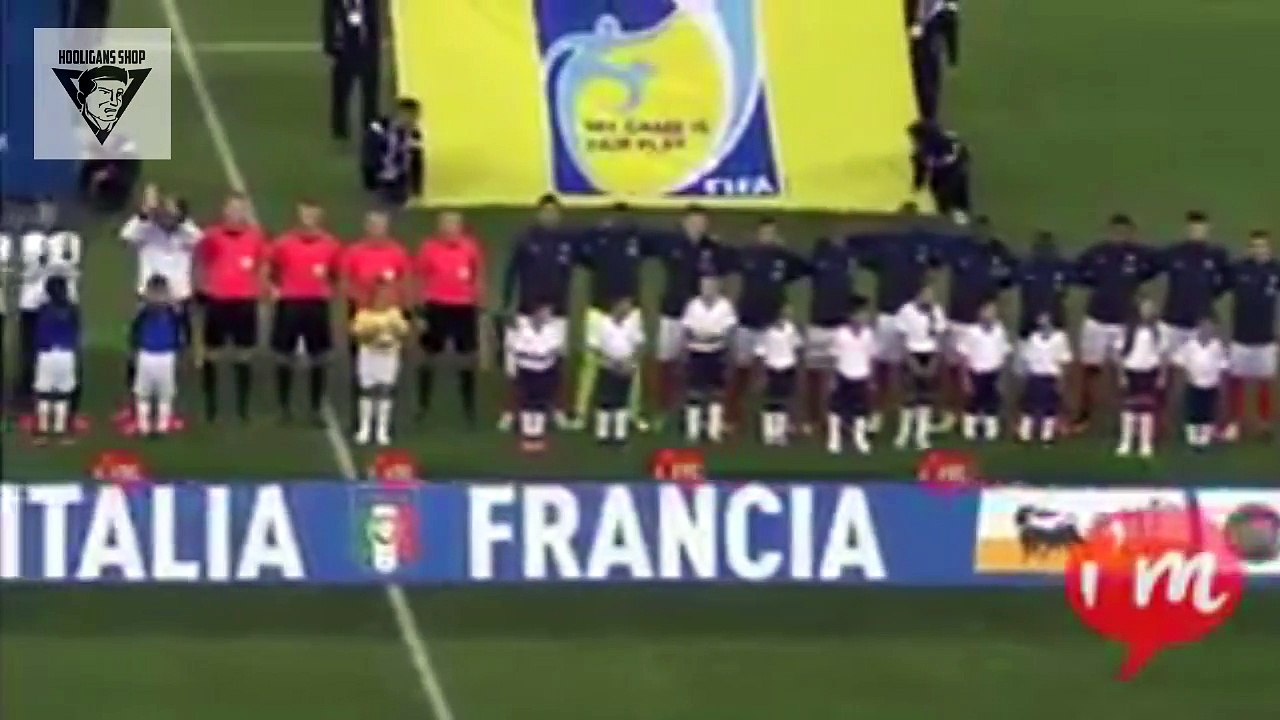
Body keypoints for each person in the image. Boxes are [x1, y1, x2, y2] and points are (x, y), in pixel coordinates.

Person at [857, 203, 947, 431]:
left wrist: (928, 290)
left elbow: (937, 265)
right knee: (884, 367)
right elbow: (864, 260)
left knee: (918, 363)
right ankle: (877, 413)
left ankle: (920, 414)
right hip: (889, 313)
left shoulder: (922, 245)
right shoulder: (886, 245)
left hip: (914, 315)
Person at [1072, 214, 1160, 431]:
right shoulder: (1097, 253)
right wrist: (1092, 281)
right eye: (1116, 231)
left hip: (1124, 324)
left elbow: (1153, 268)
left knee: (1125, 373)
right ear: (1110, 231)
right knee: (1090, 369)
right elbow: (1077, 270)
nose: (1120, 236)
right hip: (1096, 320)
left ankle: (1127, 416)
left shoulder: (1138, 255)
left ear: (1130, 233)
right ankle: (1084, 414)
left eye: (1124, 232)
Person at [651, 206, 737, 426]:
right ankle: (663, 407)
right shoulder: (670, 243)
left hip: (699, 315)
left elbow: (728, 265)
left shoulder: (712, 248)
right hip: (672, 309)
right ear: (684, 222)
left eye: (701, 222)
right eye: (693, 222)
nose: (697, 226)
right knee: (666, 359)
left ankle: (697, 410)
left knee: (697, 363)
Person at [572, 203, 655, 429]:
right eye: (616, 218)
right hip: (599, 309)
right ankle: (581, 413)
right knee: (591, 362)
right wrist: (596, 230)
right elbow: (577, 250)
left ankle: (633, 412)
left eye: (624, 218)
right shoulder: (597, 241)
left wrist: (635, 228)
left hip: (630, 311)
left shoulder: (637, 240)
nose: (619, 223)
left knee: (632, 363)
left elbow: (658, 241)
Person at [500, 195, 578, 429]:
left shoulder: (567, 242)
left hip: (558, 312)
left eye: (554, 213)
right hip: (526, 310)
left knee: (555, 362)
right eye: (545, 212)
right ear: (538, 214)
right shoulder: (525, 239)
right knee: (516, 364)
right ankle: (511, 410)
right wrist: (507, 305)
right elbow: (510, 273)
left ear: (559, 215)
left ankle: (555, 408)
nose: (549, 217)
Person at [728, 217, 809, 428]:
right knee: (742, 369)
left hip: (772, 324)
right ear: (758, 235)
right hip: (747, 320)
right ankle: (732, 415)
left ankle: (779, 416)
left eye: (772, 233)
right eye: (765, 233)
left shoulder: (783, 258)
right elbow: (729, 263)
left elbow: (804, 267)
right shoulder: (747, 255)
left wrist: (786, 250)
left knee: (777, 373)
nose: (768, 237)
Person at [196, 193, 269, 422]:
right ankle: (211, 406)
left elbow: (263, 265)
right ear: (224, 211)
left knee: (244, 355)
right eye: (232, 208)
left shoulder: (256, 237)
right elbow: (201, 262)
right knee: (212, 353)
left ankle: (242, 407)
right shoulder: (212, 236)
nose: (236, 213)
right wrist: (204, 287)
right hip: (218, 300)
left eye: (240, 209)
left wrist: (260, 288)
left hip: (245, 301)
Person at [120, 185, 199, 398]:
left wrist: (179, 221)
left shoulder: (187, 233)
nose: (166, 215)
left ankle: (169, 395)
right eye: (164, 210)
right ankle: (136, 395)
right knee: (137, 346)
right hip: (147, 299)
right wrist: (145, 213)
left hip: (178, 299)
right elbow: (126, 236)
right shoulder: (147, 230)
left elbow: (197, 238)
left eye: (172, 211)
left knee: (178, 347)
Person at [268, 200, 342, 424]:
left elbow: (337, 273)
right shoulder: (283, 243)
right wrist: (274, 289)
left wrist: (330, 291)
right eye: (304, 214)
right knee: (283, 356)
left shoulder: (331, 245)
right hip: (289, 303)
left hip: (316, 304)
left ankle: (316, 408)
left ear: (319, 217)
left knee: (319, 357)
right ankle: (284, 408)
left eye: (312, 215)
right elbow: (271, 268)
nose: (307, 219)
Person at [940, 215, 1015, 430]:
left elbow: (1010, 278)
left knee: (991, 369)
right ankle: (953, 411)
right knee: (956, 369)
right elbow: (938, 261)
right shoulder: (959, 248)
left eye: (985, 230)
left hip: (986, 323)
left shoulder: (999, 251)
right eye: (978, 230)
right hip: (959, 317)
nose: (982, 234)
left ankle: (988, 411)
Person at [340, 209, 411, 424]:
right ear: (366, 227)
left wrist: (399, 308)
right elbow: (345, 281)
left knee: (388, 365)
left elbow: (406, 281)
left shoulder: (397, 252)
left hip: (389, 315)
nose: (377, 230)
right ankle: (360, 417)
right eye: (373, 225)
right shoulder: (354, 252)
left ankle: (384, 420)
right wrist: (362, 300)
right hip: (363, 313)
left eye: (381, 225)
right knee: (362, 366)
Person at [414, 209, 484, 425]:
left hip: (464, 308)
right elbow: (419, 278)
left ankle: (469, 406)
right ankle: (423, 405)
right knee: (428, 357)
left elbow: (478, 276)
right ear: (439, 227)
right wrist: (419, 312)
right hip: (436, 306)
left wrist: (478, 304)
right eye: (445, 224)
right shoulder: (428, 248)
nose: (450, 228)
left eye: (454, 224)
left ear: (461, 227)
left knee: (467, 358)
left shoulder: (471, 248)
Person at [14, 201, 81, 414]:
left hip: (64, 302)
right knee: (30, 350)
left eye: (52, 212)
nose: (48, 217)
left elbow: (68, 268)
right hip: (32, 302)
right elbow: (27, 269)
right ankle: (29, 395)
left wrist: (48, 266)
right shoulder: (30, 240)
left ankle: (68, 395)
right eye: (43, 213)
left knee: (67, 348)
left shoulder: (70, 240)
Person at [1223, 230, 1280, 440]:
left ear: (1268, 248)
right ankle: (1234, 423)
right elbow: (1218, 287)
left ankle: (1264, 423)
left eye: (1262, 246)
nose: (1258, 250)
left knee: (1264, 382)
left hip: (1266, 338)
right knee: (1236, 382)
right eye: (1255, 246)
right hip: (1241, 337)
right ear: (1249, 248)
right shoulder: (1238, 269)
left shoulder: (1276, 270)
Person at [804, 231, 863, 432]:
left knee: (840, 376)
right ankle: (813, 418)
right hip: (818, 324)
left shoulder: (849, 260)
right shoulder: (819, 256)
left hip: (839, 326)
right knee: (814, 374)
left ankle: (840, 417)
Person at [1158, 211, 1230, 352]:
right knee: (1169, 366)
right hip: (1173, 321)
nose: (1197, 233)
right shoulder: (1173, 252)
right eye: (1193, 229)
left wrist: (1212, 294)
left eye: (1200, 229)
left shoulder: (1216, 255)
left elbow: (1228, 278)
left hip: (1200, 324)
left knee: (1198, 368)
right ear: (1187, 230)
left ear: (1207, 229)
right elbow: (1151, 266)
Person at [349, 281, 410, 446]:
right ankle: (365, 429)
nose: (384, 299)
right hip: (369, 356)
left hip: (389, 357)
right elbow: (357, 332)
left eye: (387, 295)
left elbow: (404, 331)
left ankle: (382, 430)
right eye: (380, 295)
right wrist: (372, 334)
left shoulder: (394, 314)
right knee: (367, 391)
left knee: (385, 391)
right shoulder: (364, 315)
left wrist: (394, 330)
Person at [681, 276, 737, 444]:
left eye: (712, 286)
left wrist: (718, 341)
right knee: (694, 391)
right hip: (697, 352)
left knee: (716, 392)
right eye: (705, 286)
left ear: (718, 288)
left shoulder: (725, 306)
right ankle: (692, 431)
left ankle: (714, 431)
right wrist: (698, 339)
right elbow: (687, 329)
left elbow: (730, 330)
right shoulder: (693, 305)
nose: (708, 290)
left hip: (716, 353)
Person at [130, 274, 187, 436]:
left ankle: (159, 426)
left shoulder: (165, 312)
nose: (157, 296)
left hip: (163, 355)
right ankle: (145, 425)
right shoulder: (148, 312)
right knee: (145, 393)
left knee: (162, 394)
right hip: (149, 354)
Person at [893, 283, 947, 450]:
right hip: (912, 354)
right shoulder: (906, 311)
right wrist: (910, 360)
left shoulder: (937, 311)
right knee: (909, 396)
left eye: (931, 295)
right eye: (925, 295)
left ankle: (921, 435)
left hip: (929, 355)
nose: (929, 299)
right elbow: (901, 338)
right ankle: (904, 433)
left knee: (926, 397)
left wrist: (934, 361)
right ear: (918, 295)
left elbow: (939, 338)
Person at [586, 296, 645, 445]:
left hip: (626, 366)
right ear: (616, 306)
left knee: (621, 400)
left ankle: (620, 434)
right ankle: (602, 434)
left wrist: (630, 362)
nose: (627, 310)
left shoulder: (632, 324)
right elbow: (595, 347)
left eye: (629, 307)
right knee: (604, 399)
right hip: (607, 365)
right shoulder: (603, 324)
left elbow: (639, 344)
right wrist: (610, 362)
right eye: (625, 306)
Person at [508, 304, 566, 450]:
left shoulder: (552, 331)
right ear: (535, 314)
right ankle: (527, 435)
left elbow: (554, 349)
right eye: (543, 314)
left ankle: (538, 435)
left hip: (544, 372)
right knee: (527, 401)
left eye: (548, 315)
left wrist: (535, 353)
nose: (546, 317)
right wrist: (536, 353)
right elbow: (516, 348)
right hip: (527, 371)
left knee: (540, 402)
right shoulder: (523, 330)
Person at [1114, 298, 1166, 458]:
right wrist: (1121, 374)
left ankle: (1145, 444)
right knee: (1128, 409)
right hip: (1131, 371)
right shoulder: (1128, 329)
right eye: (1144, 308)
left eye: (1150, 308)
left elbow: (1163, 355)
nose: (1147, 311)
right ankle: (1126, 442)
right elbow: (1118, 353)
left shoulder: (1159, 330)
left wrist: (1162, 375)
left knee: (1147, 410)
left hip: (1149, 372)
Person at [31, 276, 79, 443]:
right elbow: (77, 332)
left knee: (44, 394)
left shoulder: (43, 309)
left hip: (46, 354)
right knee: (63, 395)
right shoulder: (72, 310)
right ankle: (60, 431)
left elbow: (37, 334)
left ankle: (43, 431)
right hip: (66, 355)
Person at [325, 0, 382, 141]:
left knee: (370, 94)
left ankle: (370, 127)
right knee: (341, 93)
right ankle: (340, 129)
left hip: (367, 51)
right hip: (344, 53)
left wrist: (374, 50)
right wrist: (331, 46)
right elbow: (328, 20)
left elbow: (374, 23)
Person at [828, 303, 878, 455]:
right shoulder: (840, 333)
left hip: (861, 375)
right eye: (860, 315)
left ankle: (860, 439)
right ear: (851, 317)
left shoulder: (868, 334)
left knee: (860, 410)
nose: (863, 318)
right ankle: (834, 439)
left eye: (864, 315)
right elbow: (834, 356)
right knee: (836, 408)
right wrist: (833, 377)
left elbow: (871, 356)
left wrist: (871, 378)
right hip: (843, 373)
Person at [957, 300, 1010, 441]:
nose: (990, 315)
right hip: (976, 371)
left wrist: (1002, 375)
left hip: (993, 372)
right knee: (974, 401)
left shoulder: (1000, 331)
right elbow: (964, 355)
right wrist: (965, 377)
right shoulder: (971, 331)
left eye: (993, 311)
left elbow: (1004, 353)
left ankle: (990, 430)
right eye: (987, 311)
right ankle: (969, 430)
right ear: (980, 313)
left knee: (991, 402)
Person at [1173, 315, 1228, 450]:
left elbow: (1222, 365)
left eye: (1210, 328)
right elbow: (1179, 362)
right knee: (1193, 410)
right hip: (1194, 384)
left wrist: (1220, 383)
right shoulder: (1190, 346)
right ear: (1198, 329)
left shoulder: (1217, 346)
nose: (1206, 331)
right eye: (1204, 327)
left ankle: (1204, 438)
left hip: (1210, 385)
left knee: (1207, 411)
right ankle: (1192, 437)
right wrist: (1185, 377)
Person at [1017, 311, 1072, 445]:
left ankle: (1047, 436)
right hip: (1035, 375)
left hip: (1051, 376)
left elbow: (1064, 360)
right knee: (1029, 405)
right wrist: (1026, 375)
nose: (1044, 323)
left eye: (1047, 320)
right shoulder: (1033, 338)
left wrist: (1061, 379)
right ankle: (1025, 434)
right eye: (1041, 320)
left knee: (1050, 407)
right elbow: (1027, 359)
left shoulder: (1060, 338)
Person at [754, 305, 803, 446]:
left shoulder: (791, 329)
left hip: (787, 368)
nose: (785, 317)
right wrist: (761, 373)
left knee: (783, 401)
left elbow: (797, 346)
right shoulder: (767, 332)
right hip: (772, 368)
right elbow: (760, 352)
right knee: (771, 401)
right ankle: (768, 433)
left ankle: (780, 433)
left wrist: (795, 365)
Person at [361, 98, 423, 208]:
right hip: (381, 179)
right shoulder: (379, 127)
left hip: (400, 181)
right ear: (400, 114)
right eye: (409, 116)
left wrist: (416, 188)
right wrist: (371, 180)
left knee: (398, 213)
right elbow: (368, 152)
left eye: (415, 117)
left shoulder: (414, 134)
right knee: (381, 211)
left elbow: (416, 160)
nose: (412, 121)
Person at [1014, 231, 1073, 338]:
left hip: (1055, 321)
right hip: (1030, 322)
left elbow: (1067, 288)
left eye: (1048, 246)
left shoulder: (1062, 267)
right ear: (1036, 248)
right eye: (1042, 246)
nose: (1045, 250)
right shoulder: (1026, 267)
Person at [909, 123, 971, 223]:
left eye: (913, 138)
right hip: (954, 173)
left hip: (950, 175)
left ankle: (951, 218)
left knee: (949, 198)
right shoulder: (948, 138)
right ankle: (960, 217)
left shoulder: (924, 151)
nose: (912, 141)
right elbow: (964, 152)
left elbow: (921, 168)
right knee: (957, 200)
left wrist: (917, 185)